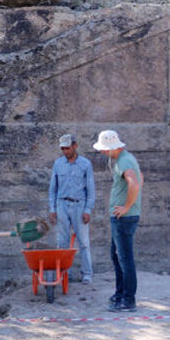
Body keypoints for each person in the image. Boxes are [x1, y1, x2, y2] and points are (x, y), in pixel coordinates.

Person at [93, 130, 142, 312]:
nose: (103, 153)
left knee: (124, 259)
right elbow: (140, 178)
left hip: (124, 218)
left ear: (113, 147)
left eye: (105, 150)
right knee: (117, 257)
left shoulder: (124, 161)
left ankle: (128, 300)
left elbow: (134, 183)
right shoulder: (127, 159)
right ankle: (121, 293)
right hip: (122, 217)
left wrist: (127, 206)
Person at [49, 134, 96, 284]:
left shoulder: (85, 164)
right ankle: (64, 273)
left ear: (75, 146)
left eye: (67, 148)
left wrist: (88, 209)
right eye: (62, 149)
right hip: (62, 204)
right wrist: (52, 208)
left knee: (83, 241)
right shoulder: (58, 164)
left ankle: (87, 274)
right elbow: (52, 189)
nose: (65, 151)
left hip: (79, 205)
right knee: (62, 241)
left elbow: (91, 189)